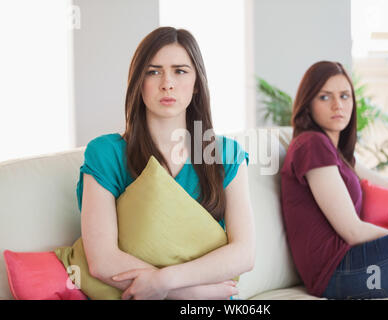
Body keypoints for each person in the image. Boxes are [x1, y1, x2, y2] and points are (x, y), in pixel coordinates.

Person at [77, 27, 255, 300]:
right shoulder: (105, 153)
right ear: (138, 82)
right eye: (153, 71)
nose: (167, 83)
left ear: (197, 84)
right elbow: (102, 260)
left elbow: (244, 253)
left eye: (180, 71)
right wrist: (189, 293)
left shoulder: (227, 154)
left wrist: (166, 280)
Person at [280, 60, 388, 299]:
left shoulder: (340, 155)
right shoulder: (312, 145)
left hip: (358, 268)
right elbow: (353, 231)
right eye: (325, 97)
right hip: (342, 271)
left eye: (345, 96)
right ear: (308, 104)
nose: (338, 105)